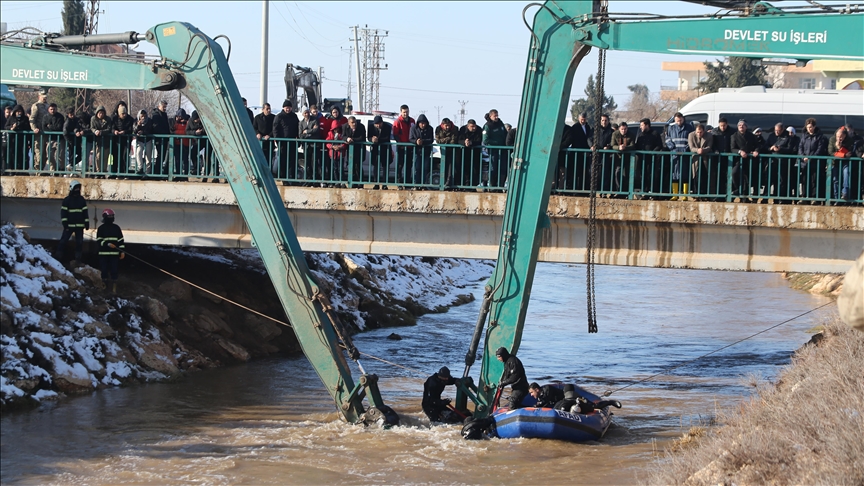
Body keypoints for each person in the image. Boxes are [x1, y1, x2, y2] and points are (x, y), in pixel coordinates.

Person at [55, 180, 89, 262]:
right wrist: (65, 224)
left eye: (78, 188)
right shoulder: (67, 200)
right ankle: (58, 257)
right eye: (76, 188)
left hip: (79, 226)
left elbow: (85, 212)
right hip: (69, 226)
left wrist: (86, 222)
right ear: (72, 189)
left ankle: (78, 259)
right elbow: (63, 213)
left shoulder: (81, 200)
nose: (77, 190)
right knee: (63, 241)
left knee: (79, 243)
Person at [764, 122, 797, 201]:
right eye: (775, 130)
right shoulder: (771, 136)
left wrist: (780, 149)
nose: (776, 132)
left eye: (778, 131)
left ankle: (781, 198)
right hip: (773, 161)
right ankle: (768, 198)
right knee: (770, 179)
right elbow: (765, 146)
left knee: (782, 180)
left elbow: (790, 149)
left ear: (782, 130)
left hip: (783, 162)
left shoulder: (788, 137)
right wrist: (770, 148)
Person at [665, 112, 694, 200]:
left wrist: (687, 148)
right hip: (674, 154)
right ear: (675, 119)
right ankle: (675, 195)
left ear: (683, 119)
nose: (679, 122)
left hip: (685, 154)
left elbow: (691, 139)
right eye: (677, 120)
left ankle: (685, 195)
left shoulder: (689, 127)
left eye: (680, 120)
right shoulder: (671, 128)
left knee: (685, 174)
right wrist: (672, 148)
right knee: (674, 174)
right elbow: (667, 139)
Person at [797, 117, 828, 200]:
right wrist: (803, 156)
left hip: (815, 164)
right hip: (805, 164)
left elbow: (820, 149)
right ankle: (804, 197)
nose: (809, 129)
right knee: (804, 181)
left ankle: (814, 198)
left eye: (810, 127)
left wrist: (811, 158)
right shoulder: (804, 137)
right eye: (807, 127)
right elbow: (800, 148)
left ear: (814, 127)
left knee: (814, 181)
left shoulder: (820, 137)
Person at [730, 119, 761, 200]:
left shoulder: (751, 136)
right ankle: (737, 189)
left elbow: (757, 145)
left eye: (743, 125)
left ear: (746, 127)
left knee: (747, 179)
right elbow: (732, 148)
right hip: (739, 159)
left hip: (749, 160)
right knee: (734, 173)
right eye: (739, 125)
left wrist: (756, 151)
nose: (741, 127)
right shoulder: (734, 136)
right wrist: (740, 152)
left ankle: (744, 197)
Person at [96, 208, 125, 293]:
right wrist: (107, 244)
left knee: (114, 270)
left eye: (112, 216)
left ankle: (114, 287)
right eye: (110, 216)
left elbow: (121, 241)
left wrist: (122, 251)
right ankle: (104, 286)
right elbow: (99, 241)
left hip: (114, 254)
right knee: (104, 270)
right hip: (103, 254)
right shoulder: (101, 229)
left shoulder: (116, 228)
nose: (111, 218)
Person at [634, 118, 663, 196]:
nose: (640, 127)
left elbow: (659, 145)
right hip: (642, 159)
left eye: (642, 125)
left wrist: (652, 152)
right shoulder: (640, 135)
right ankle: (644, 192)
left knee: (652, 175)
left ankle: (652, 192)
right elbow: (637, 146)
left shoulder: (655, 134)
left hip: (652, 159)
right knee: (643, 176)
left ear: (647, 125)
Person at [482, 109, 508, 188]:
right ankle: (493, 186)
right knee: (493, 169)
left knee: (503, 168)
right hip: (493, 151)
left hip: (503, 150)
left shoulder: (500, 123)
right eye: (494, 116)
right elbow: (485, 140)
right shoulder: (488, 126)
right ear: (490, 116)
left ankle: (500, 186)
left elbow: (505, 134)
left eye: (497, 115)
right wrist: (497, 143)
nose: (496, 117)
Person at [828, 126, 854, 203]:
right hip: (835, 162)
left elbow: (850, 152)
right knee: (835, 180)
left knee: (846, 174)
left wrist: (840, 148)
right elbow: (831, 152)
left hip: (846, 162)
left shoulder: (849, 140)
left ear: (845, 135)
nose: (839, 138)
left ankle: (845, 193)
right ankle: (837, 199)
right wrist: (841, 152)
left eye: (841, 136)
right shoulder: (832, 140)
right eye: (838, 136)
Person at [687, 123, 714, 199]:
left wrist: (703, 150)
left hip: (705, 158)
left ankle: (704, 194)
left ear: (704, 131)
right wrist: (697, 150)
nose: (699, 134)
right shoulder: (691, 135)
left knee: (705, 176)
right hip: (695, 158)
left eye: (701, 132)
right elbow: (691, 147)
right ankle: (696, 194)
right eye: (697, 132)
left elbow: (709, 146)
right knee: (695, 176)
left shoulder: (709, 136)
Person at [391, 105, 415, 187]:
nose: (405, 114)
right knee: (400, 165)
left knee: (409, 165)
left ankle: (407, 183)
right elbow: (395, 134)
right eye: (404, 112)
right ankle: (399, 183)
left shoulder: (412, 121)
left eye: (407, 112)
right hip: (401, 147)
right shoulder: (398, 121)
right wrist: (400, 143)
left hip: (410, 147)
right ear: (401, 112)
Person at [609, 121, 635, 196]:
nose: (624, 131)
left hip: (628, 157)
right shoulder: (615, 134)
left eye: (625, 129)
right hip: (618, 157)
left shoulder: (631, 134)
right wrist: (619, 148)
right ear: (619, 129)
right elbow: (612, 145)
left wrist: (625, 148)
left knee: (627, 174)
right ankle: (619, 190)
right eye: (622, 129)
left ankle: (627, 192)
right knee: (617, 172)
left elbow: (633, 145)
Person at [367, 115, 392, 188]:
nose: (378, 125)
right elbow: (368, 137)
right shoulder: (371, 127)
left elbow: (387, 138)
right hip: (375, 150)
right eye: (376, 124)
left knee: (385, 167)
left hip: (385, 150)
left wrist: (378, 140)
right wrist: (372, 139)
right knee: (376, 167)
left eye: (379, 123)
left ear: (382, 123)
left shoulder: (387, 127)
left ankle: (385, 184)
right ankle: (376, 183)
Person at [409, 114, 434, 186]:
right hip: (417, 151)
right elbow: (410, 138)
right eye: (421, 123)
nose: (423, 125)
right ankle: (416, 184)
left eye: (424, 123)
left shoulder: (430, 128)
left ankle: (424, 184)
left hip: (426, 151)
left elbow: (431, 139)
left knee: (425, 168)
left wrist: (423, 141)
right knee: (417, 168)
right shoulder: (413, 128)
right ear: (418, 123)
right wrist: (416, 141)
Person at [457, 119, 483, 187]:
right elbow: (458, 140)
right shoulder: (462, 129)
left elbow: (479, 141)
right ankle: (465, 184)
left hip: (475, 153)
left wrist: (471, 143)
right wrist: (464, 142)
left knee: (475, 170)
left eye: (474, 126)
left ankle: (473, 185)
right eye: (472, 126)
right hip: (464, 153)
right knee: (465, 169)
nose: (474, 128)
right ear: (468, 126)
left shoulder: (479, 129)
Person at [299, 108, 322, 182]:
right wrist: (310, 132)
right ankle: (308, 179)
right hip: (306, 145)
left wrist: (306, 131)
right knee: (307, 162)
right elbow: (300, 135)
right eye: (305, 113)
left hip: (314, 145)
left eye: (307, 112)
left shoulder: (314, 120)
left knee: (314, 162)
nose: (306, 114)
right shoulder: (301, 123)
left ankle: (315, 179)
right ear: (303, 114)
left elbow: (316, 130)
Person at [342, 116, 366, 187]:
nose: (354, 124)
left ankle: (360, 183)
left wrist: (352, 140)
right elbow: (343, 136)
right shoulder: (344, 126)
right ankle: (352, 183)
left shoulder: (361, 126)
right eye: (352, 123)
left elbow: (362, 137)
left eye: (355, 122)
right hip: (350, 150)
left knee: (358, 166)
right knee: (351, 166)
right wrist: (347, 139)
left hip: (359, 149)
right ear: (349, 123)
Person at [435, 118, 459, 188]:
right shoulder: (438, 129)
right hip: (443, 150)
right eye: (446, 126)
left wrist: (445, 140)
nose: (447, 127)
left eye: (448, 125)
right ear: (442, 125)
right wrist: (447, 139)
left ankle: (450, 182)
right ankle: (444, 182)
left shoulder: (455, 128)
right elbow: (438, 141)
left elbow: (453, 141)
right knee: (443, 165)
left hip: (453, 150)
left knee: (451, 166)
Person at [41, 103, 65, 174]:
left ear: (56, 109)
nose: (52, 111)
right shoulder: (45, 117)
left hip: (59, 139)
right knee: (49, 156)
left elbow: (59, 128)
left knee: (60, 156)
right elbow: (44, 127)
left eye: (54, 109)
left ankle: (62, 170)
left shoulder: (60, 117)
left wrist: (50, 126)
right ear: (48, 109)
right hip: (50, 139)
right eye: (51, 109)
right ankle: (54, 169)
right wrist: (50, 128)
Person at [111, 105, 134, 178]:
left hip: (126, 141)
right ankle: (113, 173)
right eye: (122, 114)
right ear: (119, 114)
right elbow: (111, 128)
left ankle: (123, 173)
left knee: (124, 156)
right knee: (115, 156)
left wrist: (125, 132)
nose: (124, 115)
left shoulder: (130, 119)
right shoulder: (114, 119)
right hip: (116, 140)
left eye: (125, 113)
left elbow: (131, 129)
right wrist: (114, 131)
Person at [29, 91, 48, 173]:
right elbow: (32, 119)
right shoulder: (36, 106)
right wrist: (34, 128)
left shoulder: (47, 106)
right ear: (39, 96)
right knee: (38, 154)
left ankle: (42, 171)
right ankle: (37, 171)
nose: (44, 98)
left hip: (46, 133)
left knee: (45, 154)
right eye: (43, 96)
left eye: (45, 97)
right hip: (38, 133)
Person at [151, 100, 171, 175]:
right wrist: (164, 133)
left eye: (165, 106)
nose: (165, 108)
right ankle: (157, 172)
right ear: (159, 106)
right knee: (160, 155)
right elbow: (156, 127)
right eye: (164, 106)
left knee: (162, 155)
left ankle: (158, 171)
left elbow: (166, 126)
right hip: (159, 138)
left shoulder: (164, 114)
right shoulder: (156, 114)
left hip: (164, 138)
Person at [90, 106, 111, 176]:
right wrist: (95, 131)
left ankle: (104, 171)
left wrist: (101, 132)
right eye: (99, 113)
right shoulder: (93, 119)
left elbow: (109, 129)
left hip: (106, 141)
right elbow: (92, 127)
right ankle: (98, 171)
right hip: (97, 141)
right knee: (98, 156)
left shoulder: (108, 119)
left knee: (105, 157)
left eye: (102, 113)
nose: (101, 114)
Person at [170, 108, 190, 179]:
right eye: (178, 116)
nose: (179, 118)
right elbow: (171, 130)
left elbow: (187, 132)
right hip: (176, 143)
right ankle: (178, 174)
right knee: (177, 160)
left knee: (185, 160)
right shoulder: (174, 122)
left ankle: (185, 176)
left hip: (185, 143)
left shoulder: (188, 122)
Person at [61, 107, 83, 172]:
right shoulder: (67, 122)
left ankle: (71, 165)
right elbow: (65, 133)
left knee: (80, 154)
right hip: (71, 142)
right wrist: (69, 141)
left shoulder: (76, 120)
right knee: (72, 154)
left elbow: (78, 126)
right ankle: (71, 165)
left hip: (77, 140)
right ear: (68, 114)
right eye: (71, 114)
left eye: (73, 113)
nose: (72, 115)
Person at [133, 109, 154, 177]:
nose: (143, 117)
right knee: (138, 153)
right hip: (140, 141)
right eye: (142, 116)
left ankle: (148, 172)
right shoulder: (136, 120)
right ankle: (140, 168)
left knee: (148, 157)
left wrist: (143, 132)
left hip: (148, 140)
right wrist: (138, 126)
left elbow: (150, 130)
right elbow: (134, 130)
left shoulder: (149, 121)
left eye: (144, 116)